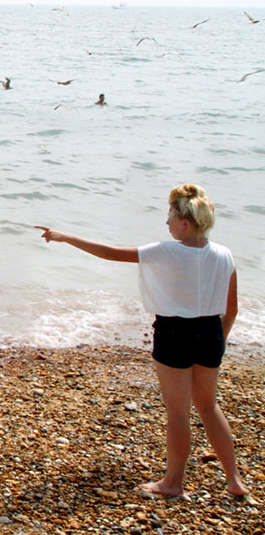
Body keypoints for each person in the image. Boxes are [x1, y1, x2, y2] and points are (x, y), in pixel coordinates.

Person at [36, 184, 247, 499]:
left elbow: (110, 253)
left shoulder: (166, 250)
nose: (167, 223)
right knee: (209, 406)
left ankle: (173, 483)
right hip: (211, 333)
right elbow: (232, 308)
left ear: (185, 223)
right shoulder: (224, 254)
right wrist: (220, 341)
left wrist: (67, 237)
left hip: (175, 333)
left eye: (170, 216)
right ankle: (234, 481)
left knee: (178, 413)